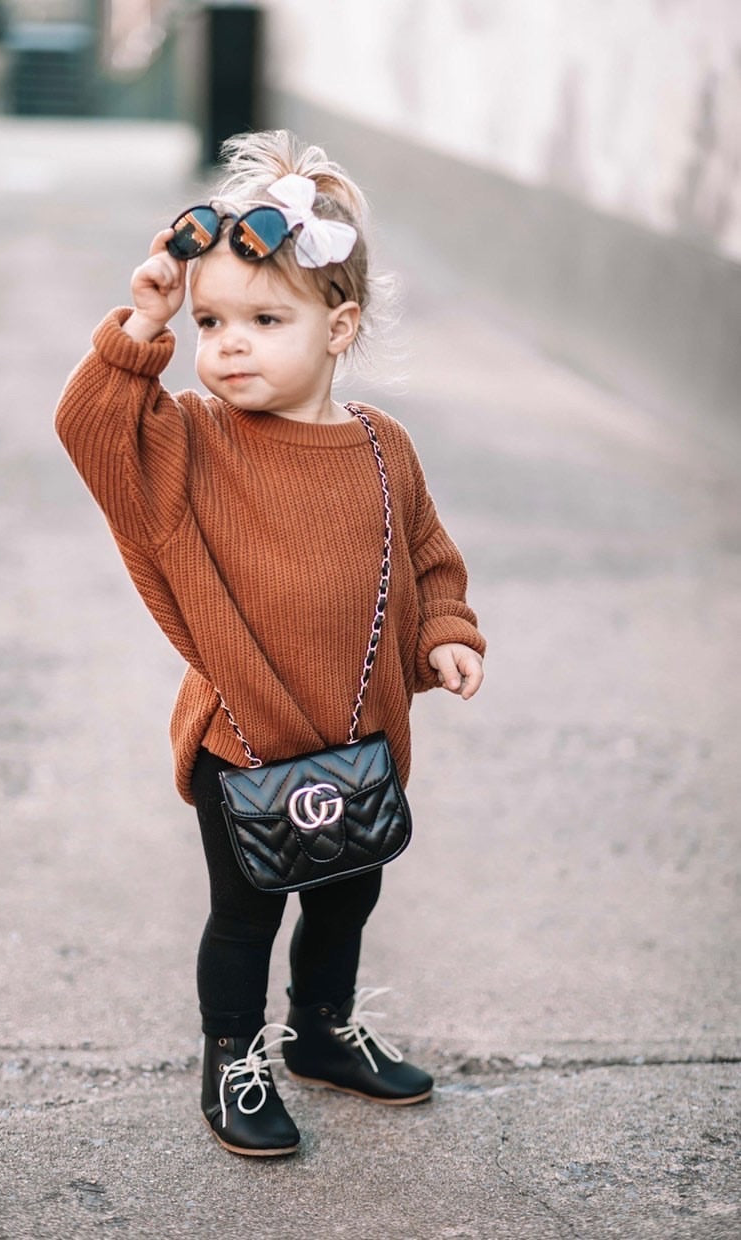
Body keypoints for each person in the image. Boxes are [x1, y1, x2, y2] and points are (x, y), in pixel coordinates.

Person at [55, 129, 485, 1158]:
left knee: (348, 895)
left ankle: (324, 1030)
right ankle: (232, 1057)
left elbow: (425, 556)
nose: (228, 344)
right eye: (212, 321)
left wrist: (448, 633)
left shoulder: (385, 449)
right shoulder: (193, 440)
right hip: (242, 746)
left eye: (262, 319)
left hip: (362, 745)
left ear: (338, 328)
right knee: (246, 916)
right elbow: (87, 428)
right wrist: (146, 321)